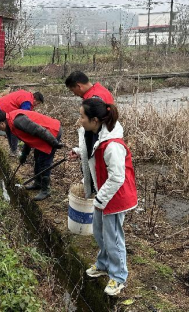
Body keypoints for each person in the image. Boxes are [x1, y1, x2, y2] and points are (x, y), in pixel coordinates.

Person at [69, 98, 137, 296]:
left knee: (113, 237)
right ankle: (103, 264)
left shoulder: (113, 145)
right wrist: (78, 152)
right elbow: (91, 153)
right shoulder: (96, 134)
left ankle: (118, 276)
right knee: (99, 232)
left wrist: (101, 199)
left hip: (116, 197)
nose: (80, 120)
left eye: (82, 116)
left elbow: (117, 177)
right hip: (104, 194)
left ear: (95, 120)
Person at [0, 110, 63, 201]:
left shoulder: (17, 121)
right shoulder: (11, 123)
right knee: (37, 157)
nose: (0, 130)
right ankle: (38, 183)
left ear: (1, 124)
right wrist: (24, 154)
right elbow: (27, 137)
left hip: (51, 132)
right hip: (45, 135)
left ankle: (46, 190)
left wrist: (54, 142)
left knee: (44, 161)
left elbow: (38, 130)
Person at [0, 90, 44, 156]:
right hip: (3, 109)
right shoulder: (27, 102)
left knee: (10, 128)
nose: (36, 105)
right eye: (37, 103)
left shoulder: (27, 95)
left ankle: (13, 149)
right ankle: (14, 150)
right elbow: (23, 117)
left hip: (0, 105)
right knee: (14, 130)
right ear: (34, 99)